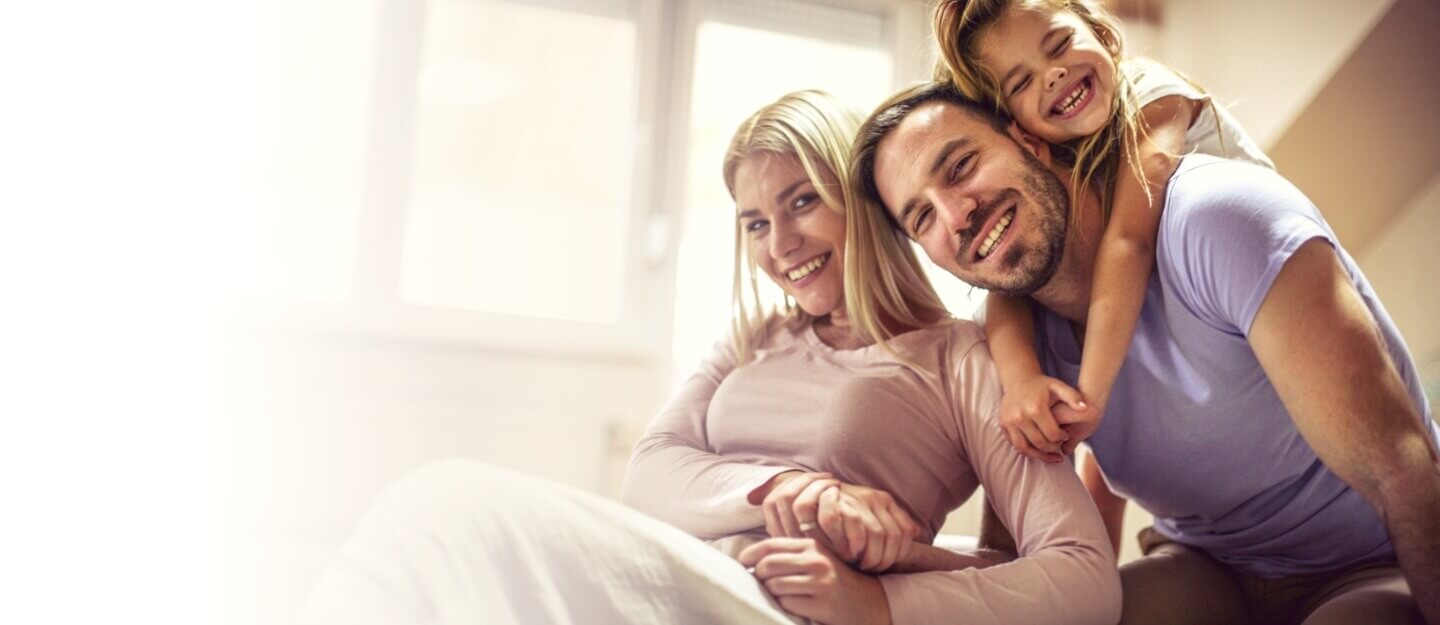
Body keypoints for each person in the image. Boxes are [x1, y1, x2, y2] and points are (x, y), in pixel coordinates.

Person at [293, 90, 1122, 625]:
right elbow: (647, 476)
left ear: (864, 205)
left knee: (448, 505)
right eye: (755, 222)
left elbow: (1085, 577)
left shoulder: (959, 358)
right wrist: (796, 487)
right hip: (681, 571)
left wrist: (881, 599)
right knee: (443, 545)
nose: (780, 244)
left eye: (802, 202)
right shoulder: (754, 336)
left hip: (773, 602)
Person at [846, 79, 1440, 625]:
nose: (957, 215)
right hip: (1211, 567)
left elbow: (1403, 472)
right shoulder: (1011, 351)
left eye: (961, 166)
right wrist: (882, 574)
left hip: (1374, 557)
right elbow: (1020, 562)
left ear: (1029, 140)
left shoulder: (1216, 219)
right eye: (922, 216)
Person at [930, 0, 1274, 465]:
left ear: (1103, 34)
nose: (1051, 75)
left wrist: (1088, 399)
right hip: (1169, 326)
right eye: (1022, 82)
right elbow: (1011, 291)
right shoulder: (1059, 158)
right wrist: (1021, 380)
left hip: (1263, 296)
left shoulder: (1152, 94)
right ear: (1016, 128)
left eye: (1059, 44)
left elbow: (1128, 240)